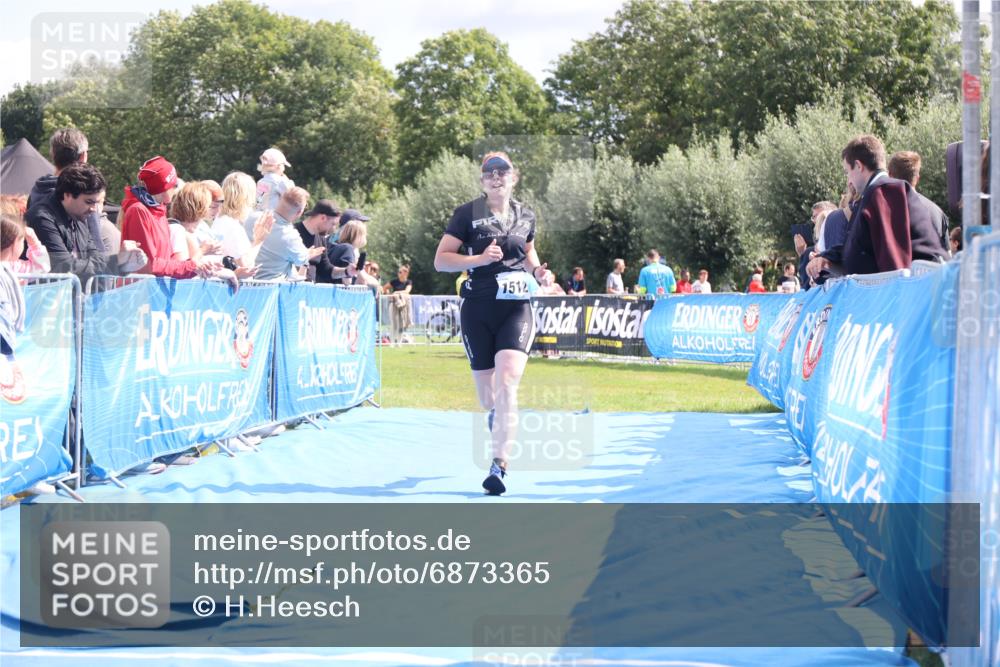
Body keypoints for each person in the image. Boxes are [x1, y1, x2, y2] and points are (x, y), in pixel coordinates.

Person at [433, 151, 546, 495]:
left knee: (508, 382)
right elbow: (441, 261)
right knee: (488, 398)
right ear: (482, 180)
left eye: (503, 171)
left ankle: (499, 465)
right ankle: (496, 417)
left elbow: (527, 254)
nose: (496, 176)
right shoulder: (467, 214)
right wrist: (479, 258)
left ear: (515, 176)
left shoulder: (526, 214)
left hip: (516, 308)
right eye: (489, 172)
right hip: (478, 308)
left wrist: (538, 271)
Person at [807, 135, 949, 280]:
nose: (849, 180)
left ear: (858, 166)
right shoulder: (876, 194)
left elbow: (894, 262)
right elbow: (862, 247)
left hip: (918, 293)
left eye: (847, 172)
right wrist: (826, 258)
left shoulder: (884, 192)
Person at [27, 163, 147, 284]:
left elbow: (95, 258)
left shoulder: (80, 215)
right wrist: (117, 260)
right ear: (67, 195)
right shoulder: (42, 217)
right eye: (89, 202)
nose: (94, 208)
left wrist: (124, 266)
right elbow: (62, 266)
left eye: (98, 202)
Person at [254, 187, 324, 280]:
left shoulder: (254, 218)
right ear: (300, 212)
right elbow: (301, 260)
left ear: (280, 199)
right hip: (269, 290)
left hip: (240, 286)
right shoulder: (290, 236)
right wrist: (308, 254)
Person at [888, 150, 949, 251]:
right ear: (917, 178)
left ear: (890, 175)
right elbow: (947, 259)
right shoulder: (937, 212)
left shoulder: (881, 210)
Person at [295, 199, 340, 283]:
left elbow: (326, 270)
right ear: (323, 218)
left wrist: (346, 271)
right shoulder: (294, 233)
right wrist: (305, 258)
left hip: (309, 292)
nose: (333, 230)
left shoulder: (321, 238)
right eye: (333, 224)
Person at [255, 147, 294, 212]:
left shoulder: (261, 181)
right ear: (279, 166)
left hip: (259, 215)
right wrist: (287, 180)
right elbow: (293, 194)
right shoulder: (279, 181)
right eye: (283, 165)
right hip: (272, 218)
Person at [384, 264, 413, 345]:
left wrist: (396, 293)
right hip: (393, 303)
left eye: (400, 272)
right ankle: (392, 342)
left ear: (406, 273)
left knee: (401, 323)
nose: (399, 273)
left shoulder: (408, 282)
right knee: (393, 323)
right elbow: (384, 288)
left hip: (403, 305)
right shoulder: (394, 281)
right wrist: (389, 295)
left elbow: (407, 291)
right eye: (398, 272)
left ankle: (399, 342)